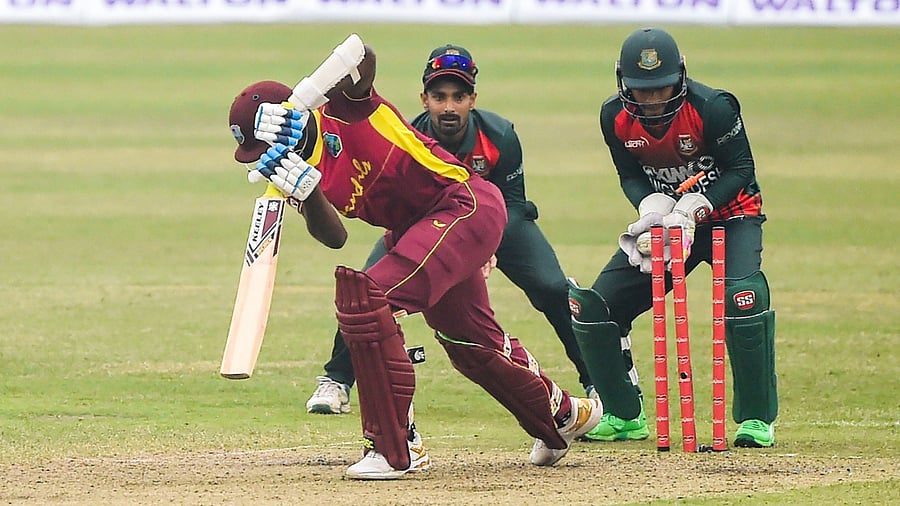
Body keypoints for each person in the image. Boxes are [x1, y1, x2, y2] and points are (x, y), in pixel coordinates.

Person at [226, 34, 601, 480]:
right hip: (416, 233)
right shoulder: (298, 172)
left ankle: (397, 445)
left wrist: (305, 97)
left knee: (367, 299)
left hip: (462, 204)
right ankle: (562, 415)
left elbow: (362, 54)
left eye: (263, 143)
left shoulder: (344, 106)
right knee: (469, 345)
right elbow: (335, 237)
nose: (267, 155)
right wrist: (305, 192)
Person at [304, 44, 593, 416]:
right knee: (369, 287)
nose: (448, 107)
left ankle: (592, 378)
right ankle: (337, 379)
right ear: (424, 99)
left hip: (498, 219)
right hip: (423, 221)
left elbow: (514, 203)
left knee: (553, 287)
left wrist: (484, 244)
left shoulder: (500, 135)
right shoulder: (407, 133)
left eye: (458, 97)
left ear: (473, 99)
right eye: (439, 97)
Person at [569, 27, 778, 447]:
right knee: (596, 307)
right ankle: (625, 415)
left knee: (744, 298)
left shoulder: (714, 108)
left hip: (731, 215)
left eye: (661, 89)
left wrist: (695, 206)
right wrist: (650, 205)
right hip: (668, 224)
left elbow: (741, 170)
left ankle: (756, 419)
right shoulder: (614, 116)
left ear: (680, 77)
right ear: (622, 82)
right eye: (641, 91)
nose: (651, 101)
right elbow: (629, 173)